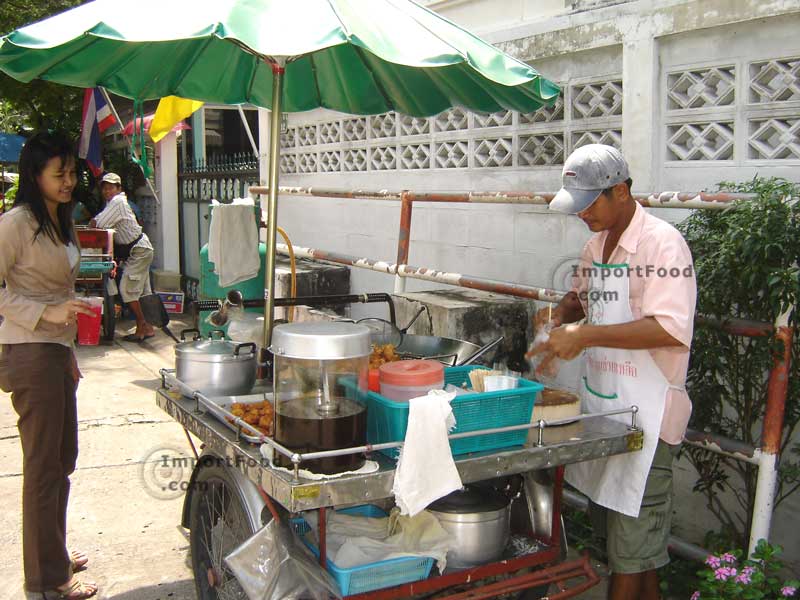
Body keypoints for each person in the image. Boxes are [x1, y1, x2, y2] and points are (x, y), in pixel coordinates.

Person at [531, 144, 696, 600]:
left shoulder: (661, 244)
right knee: (632, 549)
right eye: (577, 207)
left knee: (629, 552)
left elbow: (668, 328)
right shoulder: (595, 245)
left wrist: (584, 336)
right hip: (608, 410)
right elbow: (581, 298)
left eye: (590, 204)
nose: (583, 215)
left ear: (620, 190)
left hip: (648, 416)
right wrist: (556, 319)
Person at [0, 131, 99, 599]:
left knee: (63, 458)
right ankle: (47, 581)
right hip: (28, 350)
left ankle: (52, 552)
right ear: (34, 174)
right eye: (59, 173)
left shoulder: (61, 220)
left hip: (56, 352)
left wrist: (68, 347)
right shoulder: (16, 223)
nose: (69, 181)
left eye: (72, 173)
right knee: (43, 465)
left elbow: (58, 287)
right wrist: (44, 313)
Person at [90, 172, 155, 342]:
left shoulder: (118, 202)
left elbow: (98, 224)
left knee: (127, 289)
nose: (107, 191)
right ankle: (148, 327)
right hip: (139, 249)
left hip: (139, 250)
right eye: (104, 188)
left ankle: (143, 325)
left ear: (119, 189)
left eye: (111, 187)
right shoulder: (111, 203)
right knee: (142, 292)